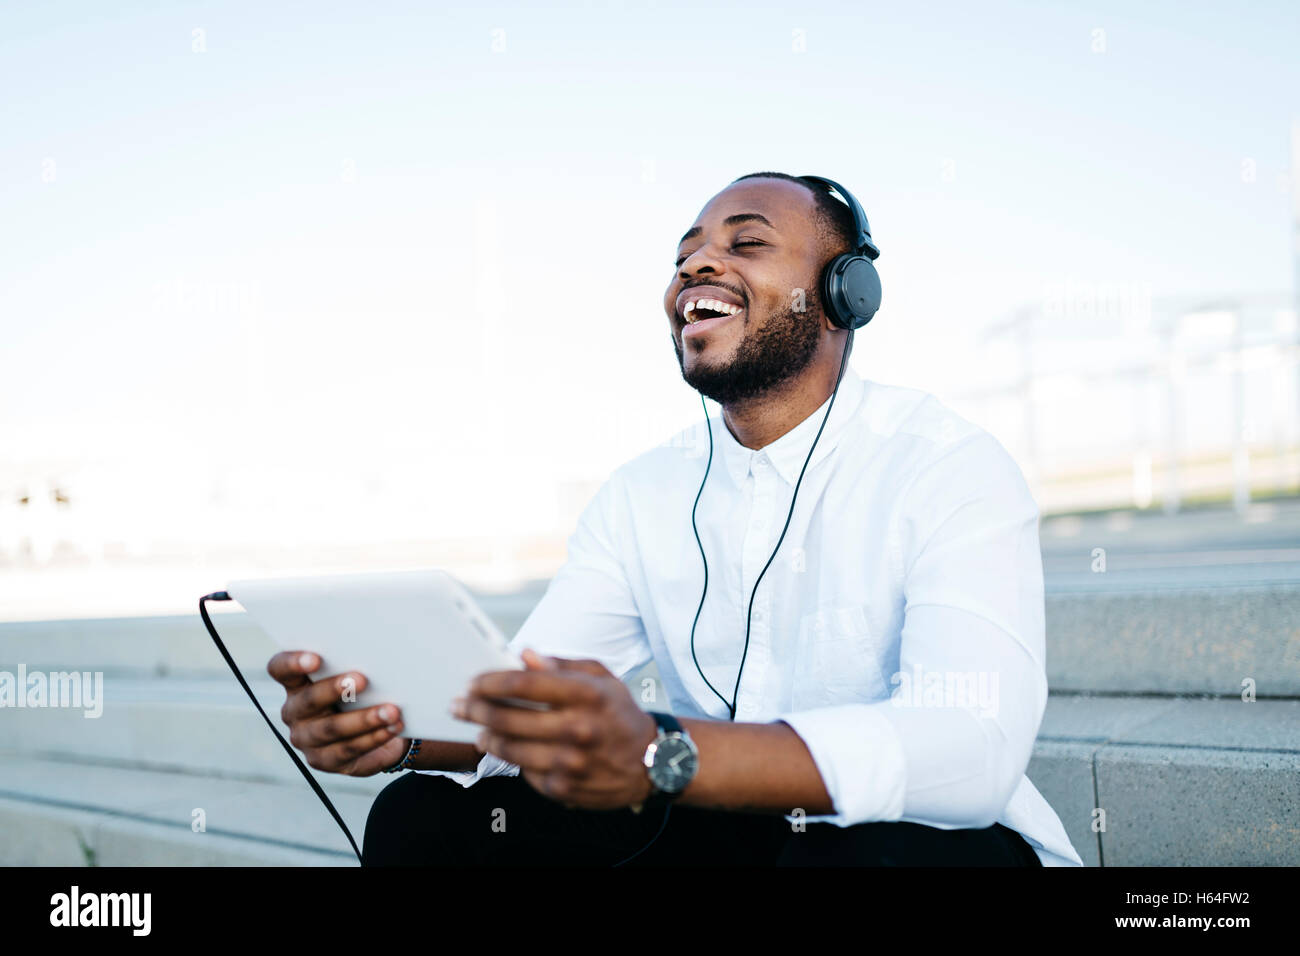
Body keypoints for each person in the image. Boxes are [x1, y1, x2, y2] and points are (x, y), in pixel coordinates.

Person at [267, 171, 1083, 867]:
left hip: (918, 845)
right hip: (720, 821)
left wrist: (664, 753)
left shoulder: (946, 463)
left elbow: (970, 746)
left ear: (844, 294)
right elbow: (531, 704)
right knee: (428, 821)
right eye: (686, 253)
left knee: (853, 855)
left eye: (747, 243)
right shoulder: (640, 493)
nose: (698, 262)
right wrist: (392, 731)